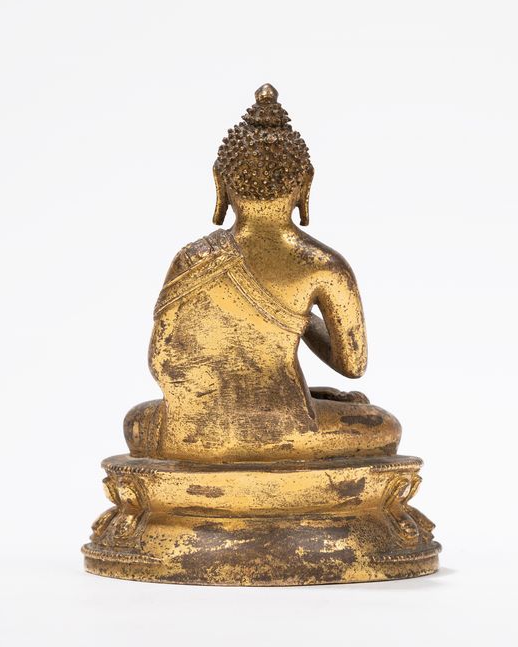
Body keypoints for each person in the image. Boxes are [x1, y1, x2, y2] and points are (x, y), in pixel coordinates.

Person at [123, 84, 402, 462]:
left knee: (137, 422)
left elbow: (160, 361)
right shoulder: (324, 266)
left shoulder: (192, 258)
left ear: (220, 183)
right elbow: (352, 365)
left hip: (194, 431)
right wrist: (301, 320)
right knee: (384, 425)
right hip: (287, 429)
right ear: (305, 184)